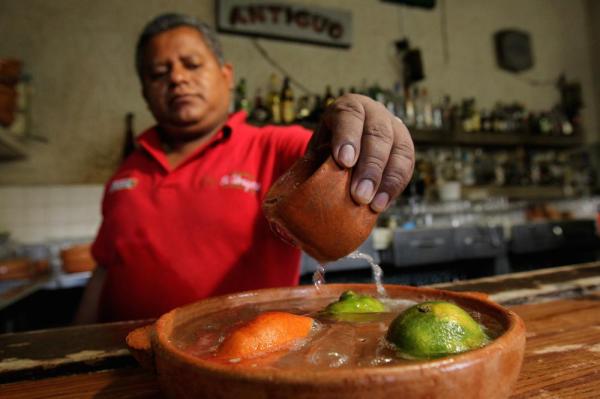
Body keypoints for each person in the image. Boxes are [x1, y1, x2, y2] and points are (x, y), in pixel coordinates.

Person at [75, 13, 414, 323]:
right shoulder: (128, 171)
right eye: (158, 73)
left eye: (192, 64)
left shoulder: (271, 146)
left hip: (240, 358)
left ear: (227, 77)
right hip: (124, 357)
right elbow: (104, 269)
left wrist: (363, 117)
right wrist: (79, 337)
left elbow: (327, 152)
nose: (177, 78)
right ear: (145, 93)